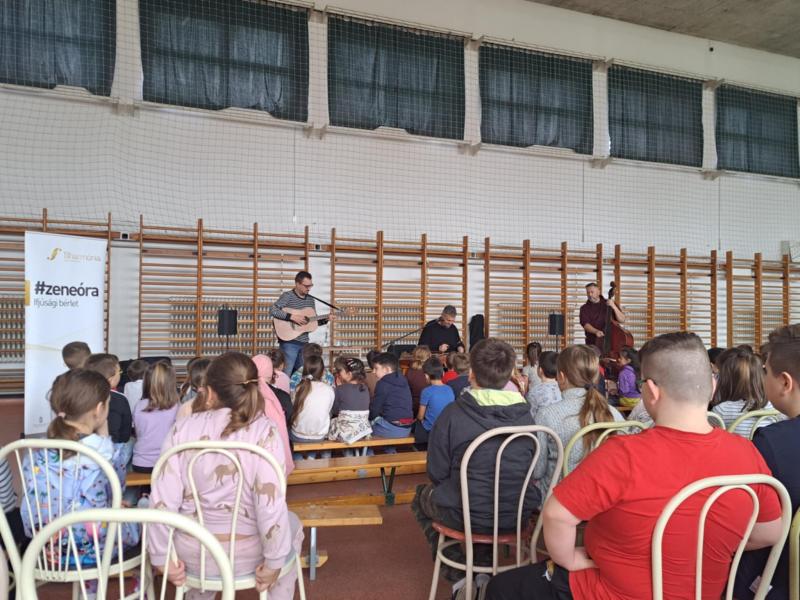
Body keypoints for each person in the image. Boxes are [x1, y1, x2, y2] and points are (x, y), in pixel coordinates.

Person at [486, 332, 784, 600]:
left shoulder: (624, 454)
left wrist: (568, 559)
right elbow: (771, 532)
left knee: (501, 588)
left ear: (651, 391)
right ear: (713, 386)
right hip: (703, 593)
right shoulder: (747, 454)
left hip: (608, 591)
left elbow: (555, 514)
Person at [148, 352, 301, 600]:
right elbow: (270, 505)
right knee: (292, 524)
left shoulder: (182, 428)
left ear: (209, 392)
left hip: (191, 552)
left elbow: (163, 500)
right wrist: (274, 561)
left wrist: (160, 556)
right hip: (250, 552)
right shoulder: (265, 431)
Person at [412, 338, 540, 574]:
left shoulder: (453, 414)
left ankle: (460, 576)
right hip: (516, 514)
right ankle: (482, 570)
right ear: (510, 375)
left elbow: (437, 473)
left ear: (471, 373)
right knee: (482, 498)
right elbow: (534, 469)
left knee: (422, 495)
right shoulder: (527, 418)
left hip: (465, 514)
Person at [22, 369, 139, 568]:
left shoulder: (36, 451)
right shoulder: (103, 451)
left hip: (47, 546)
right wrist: (105, 437)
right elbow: (117, 490)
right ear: (100, 409)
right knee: (145, 521)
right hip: (97, 549)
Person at [734, 324, 800, 599]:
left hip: (785, 579)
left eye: (765, 371)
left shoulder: (772, 442)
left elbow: (749, 524)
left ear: (785, 382)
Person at [534, 345, 625, 494]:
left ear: (561, 376)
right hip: (604, 497)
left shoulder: (546, 414)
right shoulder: (613, 413)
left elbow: (538, 471)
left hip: (559, 498)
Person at [270, 271, 331, 376]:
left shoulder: (310, 300)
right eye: (306, 286)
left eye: (310, 285)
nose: (309, 288)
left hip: (304, 344)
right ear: (297, 284)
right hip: (289, 342)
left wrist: (326, 319)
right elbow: (273, 310)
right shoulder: (288, 296)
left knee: (302, 375)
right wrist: (291, 317)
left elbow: (312, 322)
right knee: (286, 374)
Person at [709, 345, 778, 437]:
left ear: (725, 380)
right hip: (766, 446)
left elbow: (710, 439)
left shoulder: (721, 410)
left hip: (736, 447)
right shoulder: (774, 406)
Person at [132, 361, 180, 474]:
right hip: (167, 462)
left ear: (147, 382)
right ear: (171, 383)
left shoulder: (139, 406)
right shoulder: (177, 407)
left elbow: (139, 434)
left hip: (141, 464)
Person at [253, 354, 294, 475]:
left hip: (251, 451)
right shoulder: (282, 396)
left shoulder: (244, 396)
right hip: (278, 449)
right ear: (270, 372)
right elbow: (289, 418)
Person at [84, 353, 132, 445]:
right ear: (111, 379)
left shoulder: (80, 395)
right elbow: (125, 435)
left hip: (81, 446)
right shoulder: (120, 399)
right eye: (119, 372)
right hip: (113, 446)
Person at [289, 355, 335, 445]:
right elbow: (329, 411)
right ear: (323, 372)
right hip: (319, 436)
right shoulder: (329, 389)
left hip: (298, 435)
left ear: (304, 370)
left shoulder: (299, 388)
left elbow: (294, 407)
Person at [369, 353, 414, 440]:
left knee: (363, 430)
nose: (373, 371)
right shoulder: (403, 379)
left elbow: (374, 410)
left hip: (391, 429)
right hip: (407, 428)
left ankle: (368, 450)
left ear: (387, 369)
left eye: (376, 368)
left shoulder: (383, 383)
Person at [328, 357, 372, 445]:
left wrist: (339, 387)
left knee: (329, 424)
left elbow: (335, 411)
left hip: (345, 433)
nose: (338, 374)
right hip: (362, 432)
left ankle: (327, 453)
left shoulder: (340, 389)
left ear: (349, 374)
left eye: (341, 371)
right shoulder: (365, 388)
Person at [415, 357, 455, 445]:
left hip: (430, 430)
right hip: (446, 429)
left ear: (426, 376)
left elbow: (420, 416)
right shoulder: (449, 389)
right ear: (443, 373)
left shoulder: (426, 391)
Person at [579, 282, 625, 349]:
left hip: (613, 341)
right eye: (588, 292)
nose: (590, 295)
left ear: (598, 292)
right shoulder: (584, 308)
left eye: (592, 292)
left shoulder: (610, 303)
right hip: (593, 343)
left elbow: (622, 319)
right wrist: (596, 331)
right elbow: (585, 324)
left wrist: (614, 307)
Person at [526, 350, 561, 420]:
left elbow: (530, 416)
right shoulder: (563, 389)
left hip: (541, 425)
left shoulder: (534, 392)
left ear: (540, 370)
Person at [406, 346, 432, 416]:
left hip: (413, 406)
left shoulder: (409, 371)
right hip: (428, 406)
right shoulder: (430, 371)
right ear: (429, 356)